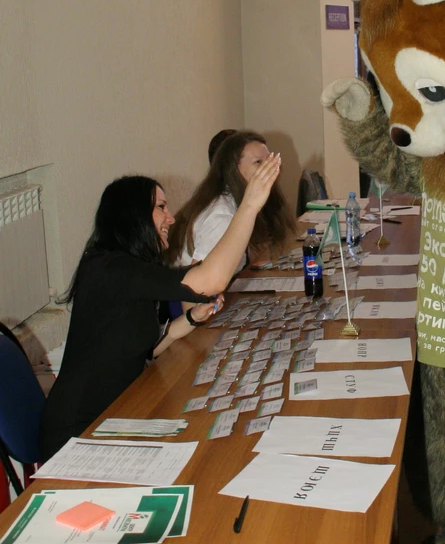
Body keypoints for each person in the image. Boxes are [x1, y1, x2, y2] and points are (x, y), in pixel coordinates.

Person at [39, 157, 280, 459]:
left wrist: (190, 318)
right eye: (161, 207)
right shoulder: (111, 268)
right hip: (76, 435)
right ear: (134, 215)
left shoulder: (123, 265)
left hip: (114, 415)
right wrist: (249, 206)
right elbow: (213, 280)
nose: (171, 218)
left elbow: (144, 351)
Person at [168, 131, 296, 271]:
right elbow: (199, 279)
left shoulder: (240, 200)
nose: (269, 168)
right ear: (233, 170)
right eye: (258, 162)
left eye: (270, 161)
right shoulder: (221, 216)